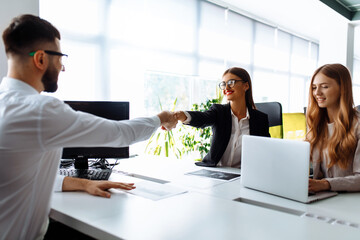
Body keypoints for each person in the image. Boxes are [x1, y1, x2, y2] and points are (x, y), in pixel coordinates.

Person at [0, 14, 177, 240]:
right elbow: (120, 134)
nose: (62, 67)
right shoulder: (39, 110)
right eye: (60, 57)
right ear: (41, 59)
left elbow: (21, 177)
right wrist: (160, 118)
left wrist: (83, 183)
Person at [175, 67, 270, 168]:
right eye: (224, 84)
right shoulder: (219, 111)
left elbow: (266, 151)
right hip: (216, 171)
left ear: (246, 86)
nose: (226, 88)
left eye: (231, 82)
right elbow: (202, 118)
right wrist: (181, 115)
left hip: (242, 175)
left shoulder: (260, 119)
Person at [306, 63, 360, 193]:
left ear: (343, 89)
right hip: (325, 196)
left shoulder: (357, 125)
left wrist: (325, 184)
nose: (317, 93)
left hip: (350, 201)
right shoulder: (316, 122)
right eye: (314, 87)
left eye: (324, 86)